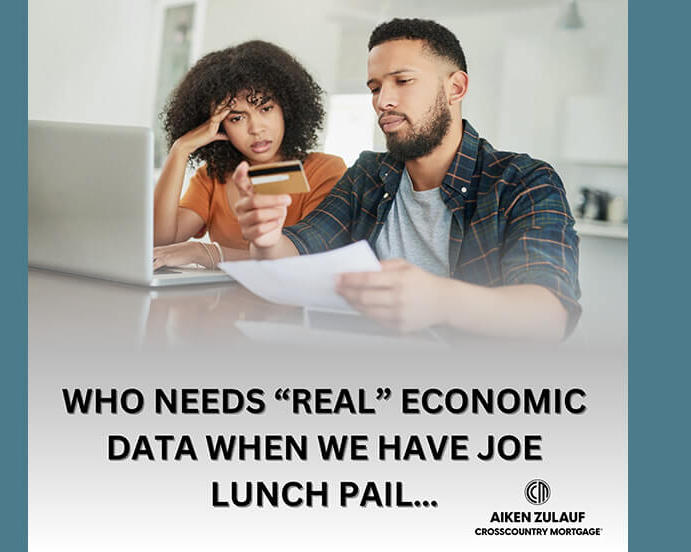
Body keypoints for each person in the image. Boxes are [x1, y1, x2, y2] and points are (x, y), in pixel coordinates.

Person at [232, 19, 581, 341]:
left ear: (455, 88)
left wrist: (440, 300)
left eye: (403, 81)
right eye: (374, 88)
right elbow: (296, 250)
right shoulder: (368, 175)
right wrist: (266, 238)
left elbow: (550, 314)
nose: (383, 101)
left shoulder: (523, 181)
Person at [152, 40, 347, 269]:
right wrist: (180, 150)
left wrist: (206, 253)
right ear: (219, 125)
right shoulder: (213, 177)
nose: (256, 128)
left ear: (287, 107)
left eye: (266, 109)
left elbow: (309, 259)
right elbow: (160, 242)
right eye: (237, 118)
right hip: (222, 303)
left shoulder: (324, 171)